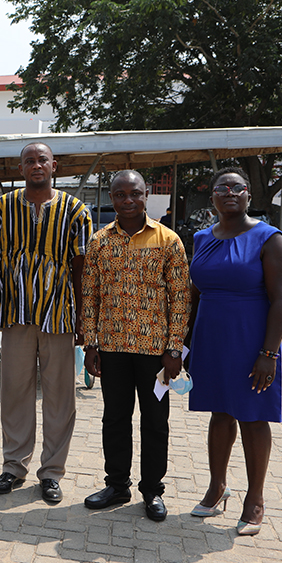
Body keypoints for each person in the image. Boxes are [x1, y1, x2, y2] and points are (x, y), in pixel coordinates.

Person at [0, 142, 92, 504]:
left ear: (54, 166)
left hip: (59, 314)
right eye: (29, 161)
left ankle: (51, 472)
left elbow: (81, 268)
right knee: (14, 391)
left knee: (60, 395)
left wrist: (83, 318)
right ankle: (14, 466)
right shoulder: (1, 209)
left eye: (41, 160)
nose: (35, 166)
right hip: (15, 313)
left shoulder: (76, 210)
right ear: (21, 168)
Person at [81, 170, 190, 522]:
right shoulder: (99, 242)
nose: (128, 200)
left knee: (155, 420)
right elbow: (90, 296)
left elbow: (180, 298)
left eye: (135, 194)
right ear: (111, 198)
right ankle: (116, 485)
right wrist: (91, 344)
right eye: (120, 194)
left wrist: (174, 350)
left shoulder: (167, 240)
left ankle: (152, 490)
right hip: (112, 348)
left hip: (156, 353)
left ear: (146, 196)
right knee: (115, 417)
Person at [186, 167, 282, 536]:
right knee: (220, 413)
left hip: (251, 341)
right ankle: (217, 487)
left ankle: (255, 500)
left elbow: (281, 299)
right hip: (211, 340)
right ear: (212, 197)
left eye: (237, 188)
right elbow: (194, 296)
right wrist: (183, 343)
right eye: (221, 188)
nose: (229, 193)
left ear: (249, 195)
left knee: (252, 416)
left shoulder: (268, 238)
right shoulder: (202, 237)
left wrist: (269, 353)